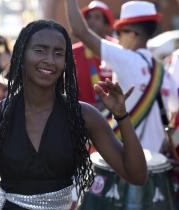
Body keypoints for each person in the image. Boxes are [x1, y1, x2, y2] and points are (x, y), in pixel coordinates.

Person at [0, 19, 147, 210]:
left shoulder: (84, 115)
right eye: (40, 50)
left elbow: (136, 175)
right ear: (21, 55)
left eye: (58, 53)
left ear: (66, 62)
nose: (49, 60)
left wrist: (121, 116)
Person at [65, 0, 179, 153]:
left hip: (127, 164)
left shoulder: (126, 59)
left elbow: (80, 31)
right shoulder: (162, 71)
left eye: (119, 32)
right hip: (157, 164)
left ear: (132, 34)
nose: (116, 37)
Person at [72, 0, 114, 110]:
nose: (91, 21)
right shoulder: (73, 52)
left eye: (97, 17)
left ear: (106, 24)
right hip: (84, 118)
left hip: (117, 117)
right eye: (89, 17)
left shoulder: (117, 48)